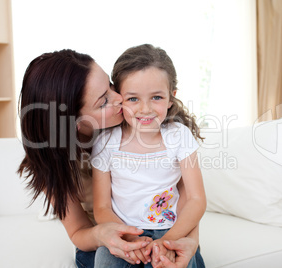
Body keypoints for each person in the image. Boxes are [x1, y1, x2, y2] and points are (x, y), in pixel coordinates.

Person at [17, 49, 205, 268]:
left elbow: (185, 199)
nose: (120, 99)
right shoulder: (88, 149)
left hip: (168, 234)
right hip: (110, 237)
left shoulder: (161, 131)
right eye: (103, 101)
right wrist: (119, 239)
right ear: (75, 121)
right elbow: (80, 230)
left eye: (110, 85)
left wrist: (184, 242)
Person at [91, 44, 207, 268]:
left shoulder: (179, 136)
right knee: (104, 260)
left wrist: (167, 242)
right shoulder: (105, 142)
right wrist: (132, 240)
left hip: (172, 230)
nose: (145, 109)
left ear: (171, 98)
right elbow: (102, 208)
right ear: (119, 99)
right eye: (133, 99)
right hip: (123, 230)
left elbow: (196, 199)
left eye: (156, 97)